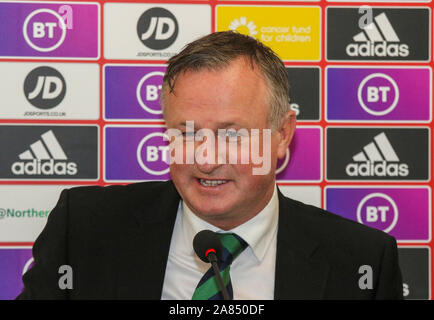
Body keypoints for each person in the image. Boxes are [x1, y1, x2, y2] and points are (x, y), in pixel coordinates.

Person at [17, 31, 403, 300]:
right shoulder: (84, 231)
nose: (206, 158)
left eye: (232, 134)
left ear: (282, 133)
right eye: (186, 133)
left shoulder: (362, 260)